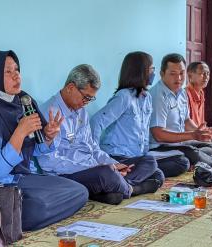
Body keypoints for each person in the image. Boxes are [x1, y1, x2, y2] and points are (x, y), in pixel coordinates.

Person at [0, 50, 88, 231]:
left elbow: (36, 150)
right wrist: (20, 132)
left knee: (79, 191)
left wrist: (47, 136)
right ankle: (14, 213)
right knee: (39, 206)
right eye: (8, 72)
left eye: (17, 70)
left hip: (21, 178)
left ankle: (18, 213)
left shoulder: (23, 102)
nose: (16, 76)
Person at [38, 64, 161, 206]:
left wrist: (113, 164)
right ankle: (132, 189)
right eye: (85, 97)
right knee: (106, 175)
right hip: (69, 174)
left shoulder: (81, 111)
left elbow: (92, 148)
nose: (86, 103)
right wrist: (93, 168)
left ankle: (114, 187)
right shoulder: (49, 113)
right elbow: (49, 163)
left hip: (94, 167)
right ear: (71, 88)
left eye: (90, 99)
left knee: (150, 163)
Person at [91, 51, 188, 178]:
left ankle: (123, 184)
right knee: (151, 165)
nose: (153, 73)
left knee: (168, 169)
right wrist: (96, 155)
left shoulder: (146, 97)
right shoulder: (124, 96)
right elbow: (96, 122)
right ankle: (120, 179)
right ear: (140, 72)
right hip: (118, 156)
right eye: (151, 69)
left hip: (138, 157)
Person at [149, 53, 212, 170]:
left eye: (181, 73)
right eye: (173, 74)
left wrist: (199, 132)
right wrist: (191, 135)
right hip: (161, 146)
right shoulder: (158, 95)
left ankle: (198, 160)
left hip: (180, 143)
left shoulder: (181, 92)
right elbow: (158, 135)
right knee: (191, 155)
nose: (179, 78)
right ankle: (201, 161)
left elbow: (186, 120)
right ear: (162, 74)